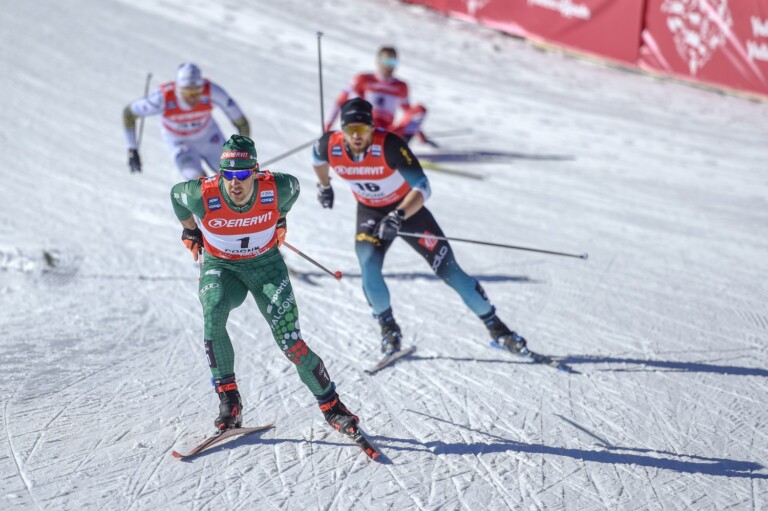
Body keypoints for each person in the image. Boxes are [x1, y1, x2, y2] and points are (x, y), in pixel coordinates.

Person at [170, 134, 360, 435]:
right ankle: (229, 402)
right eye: (228, 175)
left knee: (291, 342)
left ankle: (333, 407)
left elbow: (295, 189)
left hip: (266, 267)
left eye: (243, 174)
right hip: (222, 266)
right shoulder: (201, 194)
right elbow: (175, 196)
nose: (235, 183)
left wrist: (280, 219)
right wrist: (190, 231)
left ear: (256, 172)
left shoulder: (278, 187)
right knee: (213, 312)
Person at [312, 98, 529, 356]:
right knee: (368, 264)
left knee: (450, 271)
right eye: (351, 130)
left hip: (408, 210)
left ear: (372, 128)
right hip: (370, 212)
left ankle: (498, 330)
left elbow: (423, 186)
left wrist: (399, 215)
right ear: (342, 130)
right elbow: (317, 159)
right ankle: (389, 328)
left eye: (362, 129)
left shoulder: (389, 145)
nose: (357, 136)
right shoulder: (329, 145)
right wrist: (324, 186)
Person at [124, 63, 250, 179]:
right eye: (187, 93)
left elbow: (242, 123)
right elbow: (129, 114)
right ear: (177, 90)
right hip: (179, 143)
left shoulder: (212, 91)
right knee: (199, 183)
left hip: (209, 138)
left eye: (196, 92)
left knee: (236, 176)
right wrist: (132, 150)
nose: (192, 98)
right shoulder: (162, 98)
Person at [324, 46, 434, 146]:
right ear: (377, 62)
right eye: (386, 61)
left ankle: (399, 147)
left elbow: (408, 112)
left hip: (387, 131)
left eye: (393, 62)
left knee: (420, 109)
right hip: (366, 128)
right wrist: (327, 129)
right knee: (355, 101)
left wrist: (421, 136)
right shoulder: (363, 79)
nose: (388, 67)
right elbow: (340, 102)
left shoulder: (401, 86)